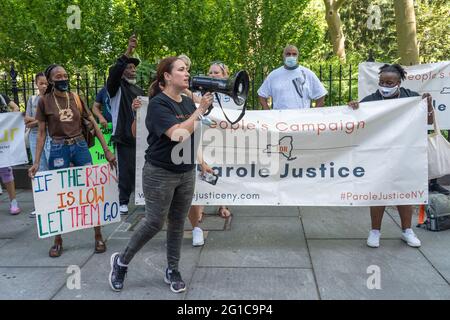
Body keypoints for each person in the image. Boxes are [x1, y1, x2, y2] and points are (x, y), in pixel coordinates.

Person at [109, 56, 214, 293]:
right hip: (160, 173)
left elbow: (190, 139)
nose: (187, 73)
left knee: (178, 223)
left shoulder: (188, 103)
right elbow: (177, 134)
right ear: (167, 76)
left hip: (186, 172)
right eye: (181, 70)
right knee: (154, 222)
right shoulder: (158, 104)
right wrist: (199, 112)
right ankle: (121, 261)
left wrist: (201, 161)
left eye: (187, 69)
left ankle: (172, 269)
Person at [29, 64, 117, 258]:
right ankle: (58, 239)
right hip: (58, 148)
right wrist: (36, 162)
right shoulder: (45, 102)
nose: (63, 79)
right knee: (58, 193)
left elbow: (93, 122)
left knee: (90, 191)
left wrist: (107, 151)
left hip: (80, 147)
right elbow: (42, 133)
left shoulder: (76, 98)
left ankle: (98, 235)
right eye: (58, 76)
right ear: (51, 80)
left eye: (65, 75)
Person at [348, 63, 434, 249]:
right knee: (378, 192)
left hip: (405, 153)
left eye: (389, 82)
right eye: (382, 82)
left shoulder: (411, 98)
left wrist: (428, 105)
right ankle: (375, 231)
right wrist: (354, 108)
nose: (385, 86)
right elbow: (357, 123)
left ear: (398, 82)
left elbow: (428, 121)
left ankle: (407, 231)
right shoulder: (370, 100)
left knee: (404, 191)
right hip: (378, 153)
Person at [107, 34, 145, 215]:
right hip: (123, 135)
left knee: (142, 168)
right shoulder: (116, 87)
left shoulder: (138, 89)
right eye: (128, 67)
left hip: (139, 135)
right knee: (126, 170)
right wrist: (129, 50)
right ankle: (122, 201)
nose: (133, 70)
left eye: (134, 67)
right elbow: (115, 72)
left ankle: (143, 197)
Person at [258, 45, 327, 110]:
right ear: (283, 56)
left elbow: (321, 95)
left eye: (294, 54)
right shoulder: (274, 75)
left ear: (298, 56)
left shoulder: (308, 74)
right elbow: (261, 95)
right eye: (288, 54)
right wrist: (269, 114)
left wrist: (314, 115)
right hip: (280, 119)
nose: (291, 56)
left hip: (302, 120)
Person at [25, 73, 52, 217]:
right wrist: (41, 120)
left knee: (50, 166)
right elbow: (26, 120)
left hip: (50, 135)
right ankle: (40, 205)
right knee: (38, 168)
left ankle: (52, 202)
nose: (44, 86)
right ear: (36, 84)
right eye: (41, 83)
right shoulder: (32, 99)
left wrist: (37, 120)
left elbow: (50, 121)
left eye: (46, 83)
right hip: (35, 136)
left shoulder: (52, 99)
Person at [0, 93, 21, 215]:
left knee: (6, 170)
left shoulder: (2, 97)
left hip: (2, 138)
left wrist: (8, 120)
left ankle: (13, 202)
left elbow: (16, 108)